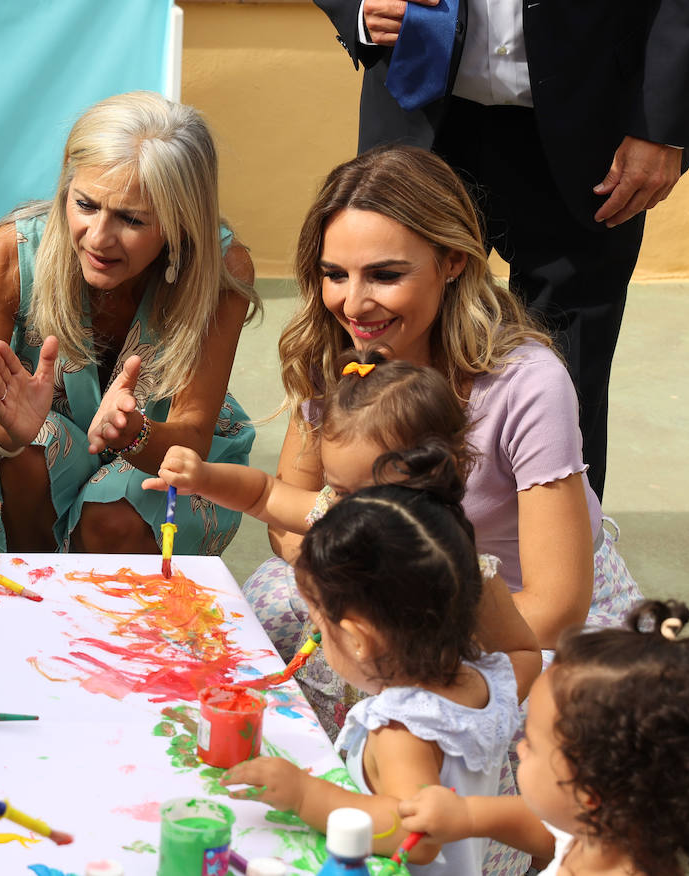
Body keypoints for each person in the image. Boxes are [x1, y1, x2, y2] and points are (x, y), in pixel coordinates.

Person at [243, 147, 640, 670]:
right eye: (335, 274)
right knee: (254, 630)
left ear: (453, 261)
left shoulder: (526, 383)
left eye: (385, 275)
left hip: (510, 615)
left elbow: (554, 609)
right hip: (374, 588)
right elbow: (289, 519)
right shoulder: (331, 355)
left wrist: (400, 621)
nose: (354, 305)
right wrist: (349, 582)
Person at [314, 0, 689, 498]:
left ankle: (559, 560)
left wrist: (664, 121)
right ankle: (380, 539)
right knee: (387, 354)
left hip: (593, 115)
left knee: (570, 375)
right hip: (420, 108)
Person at [150, 348, 554, 737]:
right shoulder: (339, 513)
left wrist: (469, 706)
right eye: (340, 490)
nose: (349, 508)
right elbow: (264, 495)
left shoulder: (458, 572)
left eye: (373, 492)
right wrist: (203, 477)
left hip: (428, 752)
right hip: (333, 719)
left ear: (433, 476)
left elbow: (522, 652)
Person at [0, 90, 262, 555]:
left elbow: (190, 438)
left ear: (182, 221)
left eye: (131, 218)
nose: (99, 238)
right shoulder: (12, 252)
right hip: (43, 461)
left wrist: (133, 434)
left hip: (162, 459)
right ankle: (34, 607)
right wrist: (6, 431)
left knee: (116, 512)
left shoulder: (222, 269)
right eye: (85, 205)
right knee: (28, 451)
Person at [221, 474, 541, 876]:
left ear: (357, 638)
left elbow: (418, 837)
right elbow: (527, 651)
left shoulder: (402, 729)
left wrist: (306, 796)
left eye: (318, 621)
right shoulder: (488, 682)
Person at [398, 600, 689, 876]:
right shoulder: (602, 832)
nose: (520, 747)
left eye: (534, 745)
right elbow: (547, 827)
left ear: (589, 793)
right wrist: (466, 814)